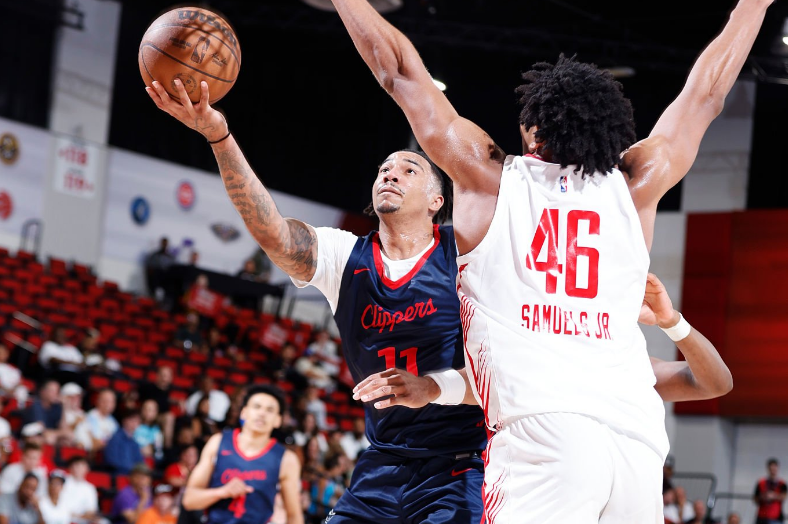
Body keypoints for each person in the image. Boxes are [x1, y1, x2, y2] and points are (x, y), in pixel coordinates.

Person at [329, 0, 771, 520]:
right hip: (636, 443)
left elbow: (400, 72)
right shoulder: (635, 185)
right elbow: (706, 96)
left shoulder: (490, 180)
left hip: (544, 436)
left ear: (530, 128)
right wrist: (754, 6)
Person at [147, 82, 486, 523]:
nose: (390, 174)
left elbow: (502, 373)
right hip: (381, 463)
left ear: (436, 202)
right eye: (384, 169)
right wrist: (219, 136)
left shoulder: (465, 253)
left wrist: (431, 387)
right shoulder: (345, 256)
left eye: (408, 170)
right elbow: (274, 233)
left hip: (459, 464)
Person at [181, 385, 303, 524]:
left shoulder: (286, 459)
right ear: (243, 412)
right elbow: (189, 500)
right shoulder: (218, 443)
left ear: (278, 420)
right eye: (257, 406)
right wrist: (222, 492)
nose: (262, 413)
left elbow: (294, 516)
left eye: (270, 410)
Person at [60, 456, 101, 524]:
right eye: (75, 465)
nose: (78, 469)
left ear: (87, 468)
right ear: (70, 468)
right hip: (62, 518)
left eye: (81, 466)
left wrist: (87, 516)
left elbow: (91, 510)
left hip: (82, 521)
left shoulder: (90, 488)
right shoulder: (62, 481)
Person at [753, 458, 787, 524]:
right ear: (768, 469)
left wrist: (774, 496)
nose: (773, 471)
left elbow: (784, 496)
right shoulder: (761, 483)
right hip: (762, 516)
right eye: (771, 469)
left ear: (777, 469)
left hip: (776, 517)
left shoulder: (782, 483)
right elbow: (755, 499)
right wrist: (763, 496)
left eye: (774, 468)